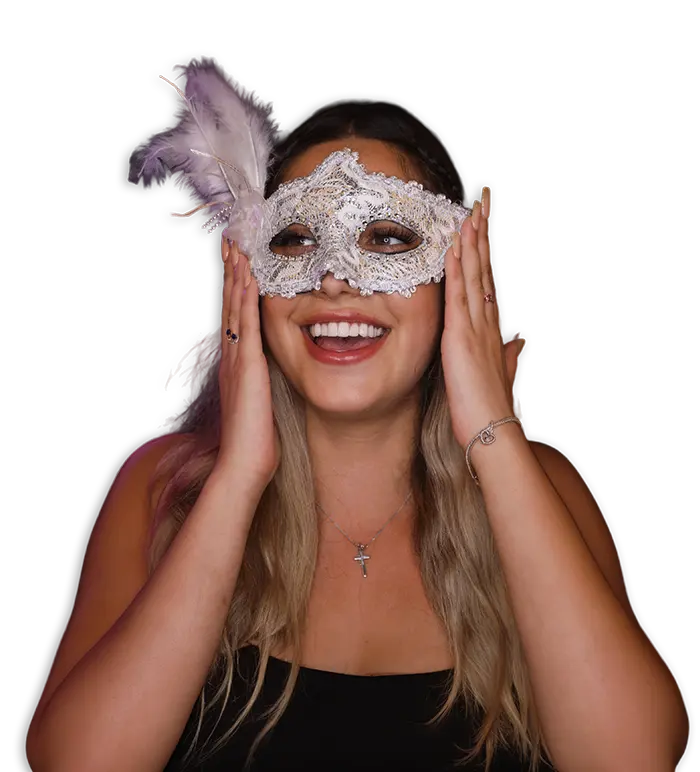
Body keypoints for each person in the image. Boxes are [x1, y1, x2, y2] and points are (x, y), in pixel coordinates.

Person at [25, 57, 688, 772]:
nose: (335, 276)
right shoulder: (167, 489)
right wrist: (239, 479)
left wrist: (493, 441)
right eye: (294, 239)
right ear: (251, 276)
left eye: (388, 238)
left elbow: (632, 760)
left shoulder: (539, 486)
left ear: (459, 275)